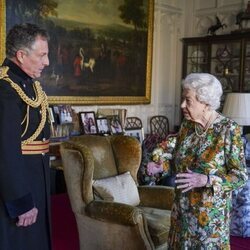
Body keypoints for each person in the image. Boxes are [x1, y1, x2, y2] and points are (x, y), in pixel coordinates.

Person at [149, 73, 248, 249]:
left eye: (188, 100)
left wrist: (207, 180)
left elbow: (240, 176)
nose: (182, 105)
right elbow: (177, 162)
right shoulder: (187, 126)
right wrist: (160, 167)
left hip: (209, 221)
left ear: (206, 103)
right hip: (181, 213)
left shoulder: (229, 130)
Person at [0, 23, 51, 250]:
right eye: (42, 55)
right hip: (17, 188)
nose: (47, 62)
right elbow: (5, 151)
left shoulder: (28, 84)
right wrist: (21, 202)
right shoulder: (5, 89)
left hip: (35, 180)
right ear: (21, 55)